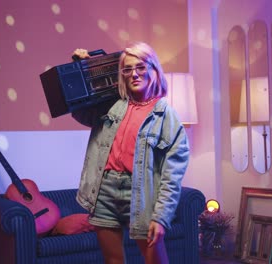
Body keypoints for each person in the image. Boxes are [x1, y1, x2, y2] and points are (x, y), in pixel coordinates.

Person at [71, 42, 190, 264]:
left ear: (153, 69)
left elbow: (172, 176)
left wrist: (161, 217)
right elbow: (79, 110)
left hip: (140, 194)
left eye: (141, 67)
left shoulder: (166, 117)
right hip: (103, 192)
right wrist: (82, 70)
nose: (134, 74)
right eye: (127, 69)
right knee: (113, 260)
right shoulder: (111, 105)